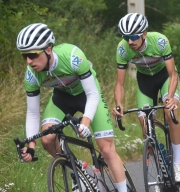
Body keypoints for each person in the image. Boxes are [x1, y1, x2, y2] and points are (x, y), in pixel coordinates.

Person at [16, 23, 127, 192]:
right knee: (47, 139)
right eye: (25, 57)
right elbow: (32, 112)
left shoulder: (72, 56)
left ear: (48, 49)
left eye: (32, 54)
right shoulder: (31, 75)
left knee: (106, 149)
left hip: (87, 95)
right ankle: (81, 172)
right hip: (62, 98)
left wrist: (86, 122)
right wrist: (31, 146)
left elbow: (93, 94)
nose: (29, 61)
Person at [112, 13, 180, 182]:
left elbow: (173, 74)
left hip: (164, 78)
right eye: (126, 37)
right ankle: (159, 153)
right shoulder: (123, 49)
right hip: (145, 81)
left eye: (133, 36)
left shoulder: (160, 41)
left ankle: (177, 163)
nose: (130, 41)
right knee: (145, 122)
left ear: (144, 33)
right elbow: (120, 84)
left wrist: (170, 97)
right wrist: (118, 104)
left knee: (170, 114)